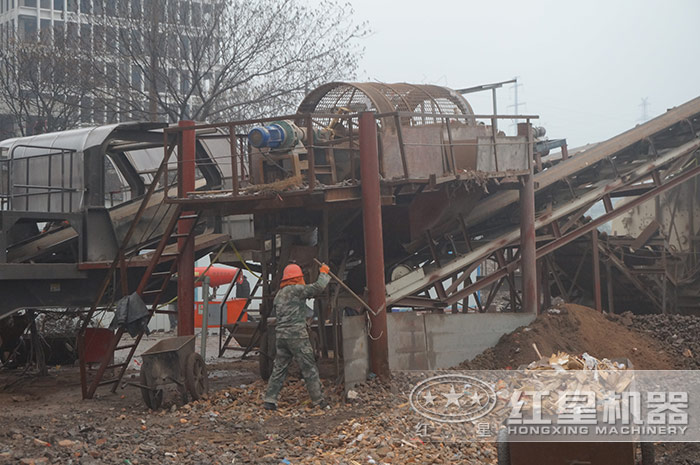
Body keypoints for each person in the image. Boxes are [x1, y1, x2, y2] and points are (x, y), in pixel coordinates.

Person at [263, 262, 330, 410]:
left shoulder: (279, 294)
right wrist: (324, 273)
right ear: (297, 277)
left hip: (281, 336)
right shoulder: (296, 289)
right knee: (308, 367)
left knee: (279, 368)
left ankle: (270, 399)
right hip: (297, 336)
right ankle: (318, 401)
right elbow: (318, 288)